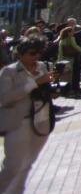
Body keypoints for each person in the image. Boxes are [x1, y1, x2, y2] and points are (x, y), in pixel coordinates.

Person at [0, 37, 55, 192]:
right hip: (18, 123)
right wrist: (34, 83)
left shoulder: (42, 66)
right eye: (32, 53)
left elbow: (42, 90)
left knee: (28, 163)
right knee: (13, 166)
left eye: (39, 53)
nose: (36, 57)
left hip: (40, 120)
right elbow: (4, 98)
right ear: (21, 54)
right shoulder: (9, 72)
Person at [54, 25, 80, 97]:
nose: (73, 33)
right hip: (69, 59)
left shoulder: (61, 39)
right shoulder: (71, 39)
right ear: (68, 32)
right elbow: (75, 47)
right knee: (69, 75)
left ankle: (61, 89)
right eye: (72, 32)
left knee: (61, 75)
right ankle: (68, 90)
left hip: (61, 59)